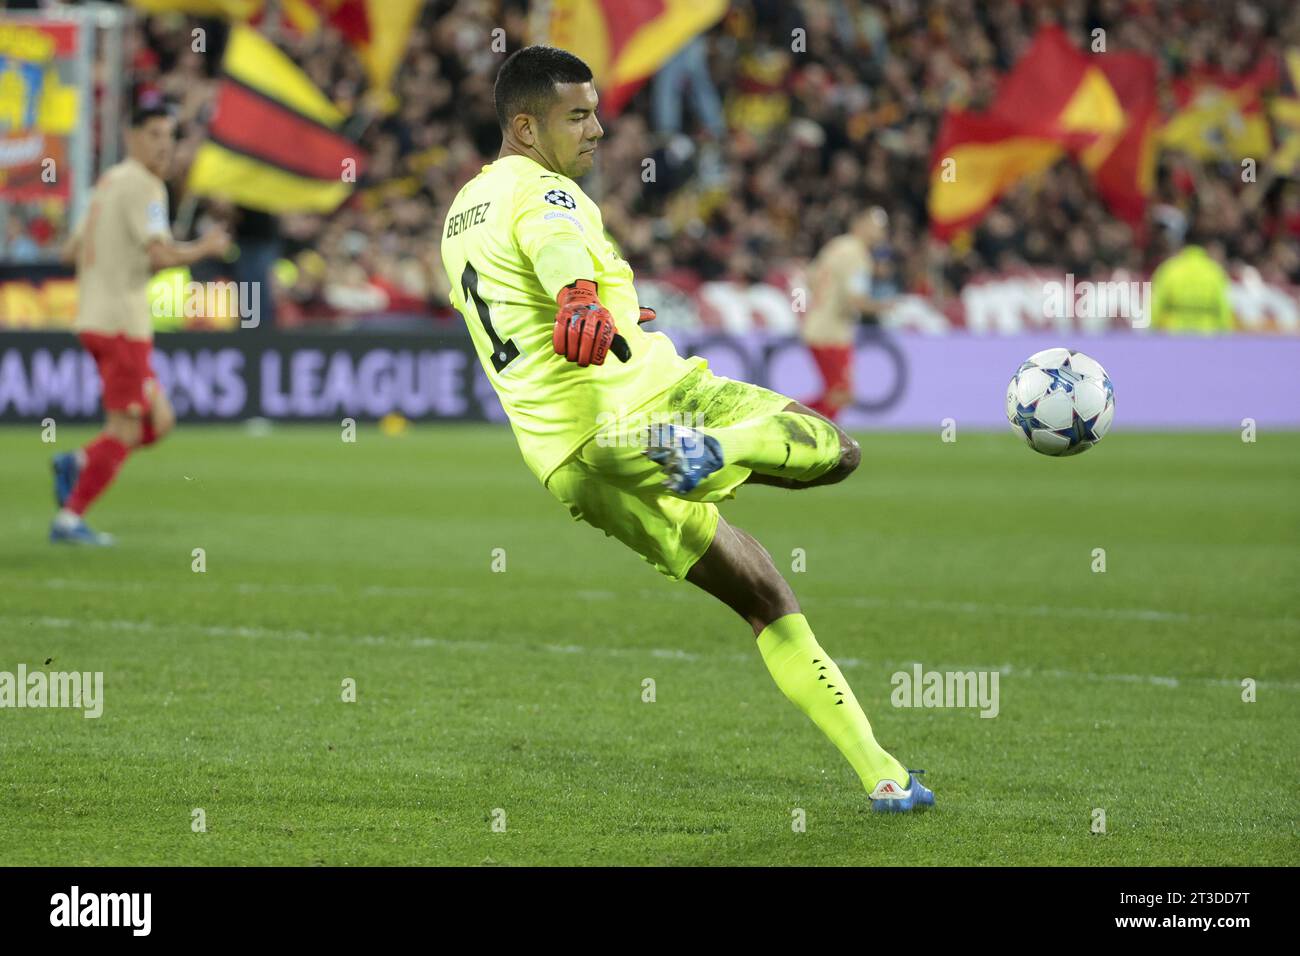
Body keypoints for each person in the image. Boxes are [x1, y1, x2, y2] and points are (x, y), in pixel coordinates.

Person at [439, 46, 932, 812]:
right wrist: (578, 295)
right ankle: (716, 452)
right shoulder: (543, 191)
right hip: (652, 410)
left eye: (596, 111)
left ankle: (884, 773)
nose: (598, 129)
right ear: (527, 127)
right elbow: (557, 248)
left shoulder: (460, 214)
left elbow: (529, 294)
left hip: (573, 462)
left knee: (762, 592)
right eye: (579, 115)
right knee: (838, 451)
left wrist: (605, 307)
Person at [50, 102, 230, 545]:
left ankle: (77, 461)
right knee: (127, 429)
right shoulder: (146, 186)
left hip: (96, 316)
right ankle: (70, 520)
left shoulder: (107, 182)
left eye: (169, 136)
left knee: (160, 420)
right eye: (154, 134)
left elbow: (69, 253)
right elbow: (161, 256)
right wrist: (206, 248)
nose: (164, 146)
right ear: (131, 137)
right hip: (120, 324)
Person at [801, 206, 891, 420]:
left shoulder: (837, 245)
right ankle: (784, 421)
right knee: (841, 393)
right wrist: (885, 307)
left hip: (817, 325)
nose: (880, 233)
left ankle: (803, 430)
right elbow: (855, 300)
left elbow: (811, 277)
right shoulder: (857, 254)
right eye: (876, 226)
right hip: (832, 332)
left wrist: (826, 300)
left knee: (838, 393)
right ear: (860, 225)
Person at [1149, 241, 1235, 333]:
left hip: (1174, 331)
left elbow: (1156, 302)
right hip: (1207, 331)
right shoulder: (1214, 271)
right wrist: (1225, 330)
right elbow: (1224, 305)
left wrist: (1151, 327)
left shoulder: (1169, 269)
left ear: (1181, 250)